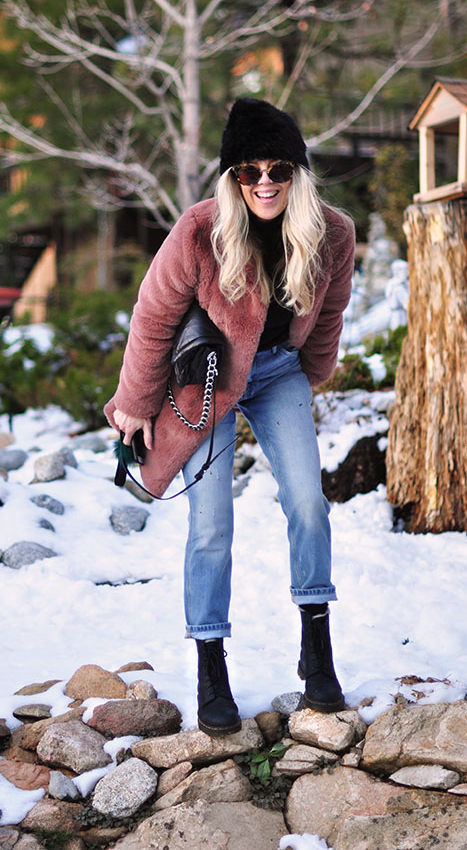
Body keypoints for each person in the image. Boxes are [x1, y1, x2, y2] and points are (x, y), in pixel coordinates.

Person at [104, 97, 356, 735]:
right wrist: (134, 403)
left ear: (299, 173)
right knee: (211, 524)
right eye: (250, 171)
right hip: (209, 380)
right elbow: (154, 315)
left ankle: (316, 652)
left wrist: (313, 374)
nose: (265, 183)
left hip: (277, 374)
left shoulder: (333, 233)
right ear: (232, 177)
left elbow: (327, 315)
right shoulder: (199, 229)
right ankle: (211, 668)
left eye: (279, 170)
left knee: (308, 502)